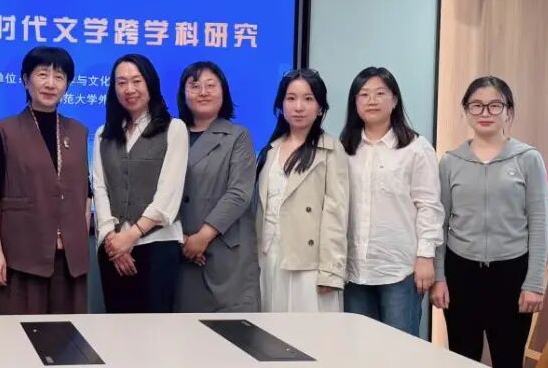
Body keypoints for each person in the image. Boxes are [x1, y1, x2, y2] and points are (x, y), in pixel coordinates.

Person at [432, 76, 548, 368]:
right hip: (461, 273)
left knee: (509, 359)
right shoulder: (450, 161)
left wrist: (534, 283)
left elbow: (539, 224)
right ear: (466, 111)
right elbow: (439, 224)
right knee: (462, 357)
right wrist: (439, 278)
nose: (485, 113)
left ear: (509, 111)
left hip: (512, 273)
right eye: (477, 105)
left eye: (495, 105)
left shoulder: (528, 159)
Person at [0, 46, 92, 315]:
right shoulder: (5, 130)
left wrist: (78, 240)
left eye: (59, 77)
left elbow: (85, 193)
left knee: (68, 334)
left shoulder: (79, 132)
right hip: (22, 255)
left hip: (70, 260)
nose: (50, 83)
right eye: (42, 74)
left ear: (67, 85)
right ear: (25, 79)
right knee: (19, 333)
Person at [339, 67, 442, 336]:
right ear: (355, 102)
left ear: (394, 100)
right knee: (357, 349)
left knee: (400, 349)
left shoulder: (416, 148)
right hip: (354, 271)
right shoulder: (344, 148)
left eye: (380, 93)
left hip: (400, 270)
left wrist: (425, 257)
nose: (371, 100)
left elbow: (429, 206)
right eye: (364, 94)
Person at [93, 54, 188, 313]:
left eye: (137, 81)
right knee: (117, 327)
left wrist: (131, 236)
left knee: (155, 329)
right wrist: (112, 240)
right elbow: (100, 188)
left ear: (150, 84)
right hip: (113, 249)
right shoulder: (103, 134)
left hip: (158, 245)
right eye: (121, 82)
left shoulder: (174, 129)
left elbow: (168, 194)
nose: (129, 89)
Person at [255, 68, 348, 313]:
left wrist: (330, 271)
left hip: (309, 263)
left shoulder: (331, 149)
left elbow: (336, 213)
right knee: (271, 330)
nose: (299, 107)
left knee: (310, 331)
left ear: (320, 108)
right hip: (269, 256)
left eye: (308, 99)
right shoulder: (270, 150)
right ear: (281, 105)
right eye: (291, 98)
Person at [173, 61, 260, 313]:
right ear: (183, 94)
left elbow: (239, 193)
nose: (203, 92)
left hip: (223, 251)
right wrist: (181, 239)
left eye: (211, 85)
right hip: (179, 251)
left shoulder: (238, 136)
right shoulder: (172, 134)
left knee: (231, 331)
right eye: (194, 85)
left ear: (224, 92)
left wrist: (202, 237)